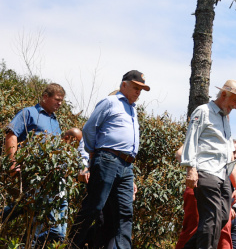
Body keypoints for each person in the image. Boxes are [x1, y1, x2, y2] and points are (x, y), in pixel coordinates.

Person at [69, 71, 149, 249]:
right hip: (107, 159)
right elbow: (89, 128)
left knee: (125, 214)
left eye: (141, 89)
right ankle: (71, 245)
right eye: (136, 87)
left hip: (126, 166)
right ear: (124, 85)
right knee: (94, 207)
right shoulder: (110, 102)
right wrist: (92, 154)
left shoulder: (132, 109)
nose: (138, 92)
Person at [180, 80, 236, 249]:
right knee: (211, 219)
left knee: (223, 217)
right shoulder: (203, 111)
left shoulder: (225, 118)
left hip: (223, 175)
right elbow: (190, 140)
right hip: (206, 171)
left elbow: (227, 150)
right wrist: (191, 169)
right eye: (235, 102)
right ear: (224, 95)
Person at [3, 83, 68, 244]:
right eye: (57, 99)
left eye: (62, 101)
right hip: (32, 173)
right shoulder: (29, 113)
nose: (59, 103)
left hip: (50, 176)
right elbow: (11, 135)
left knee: (34, 212)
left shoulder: (55, 121)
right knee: (32, 210)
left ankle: (26, 244)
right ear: (45, 97)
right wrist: (13, 162)